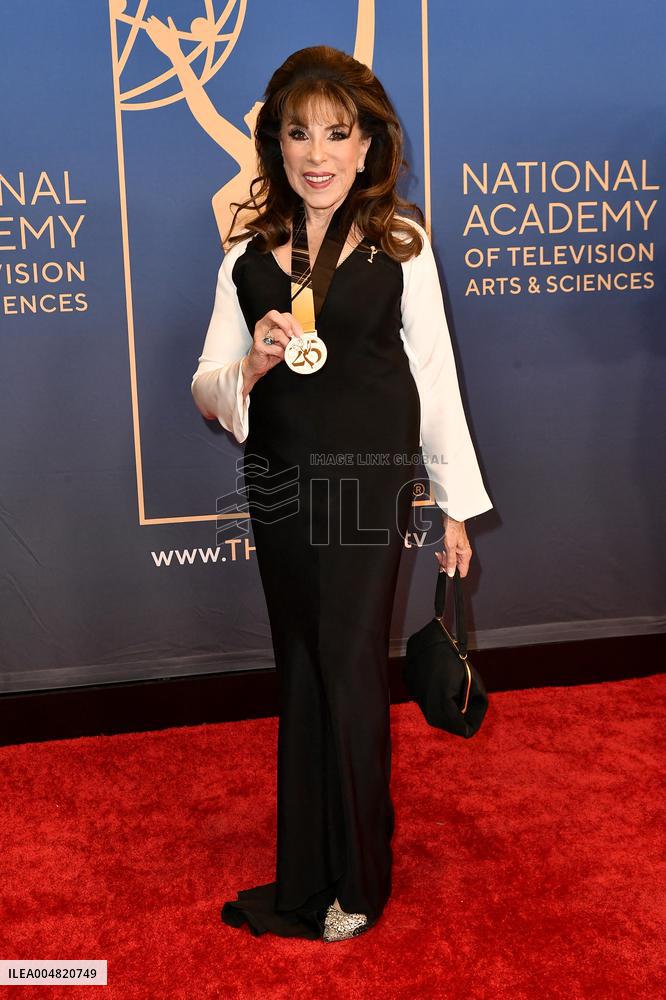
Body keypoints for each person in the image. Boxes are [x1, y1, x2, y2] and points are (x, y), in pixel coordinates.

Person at [191, 45, 493, 942]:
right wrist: (250, 362)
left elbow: (434, 382)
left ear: (366, 146)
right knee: (304, 670)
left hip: (367, 495)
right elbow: (206, 385)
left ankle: (359, 877)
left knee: (352, 672)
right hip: (279, 490)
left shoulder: (401, 243)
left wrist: (453, 505)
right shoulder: (246, 259)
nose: (317, 152)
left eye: (337, 132)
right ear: (275, 147)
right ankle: (309, 867)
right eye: (298, 133)